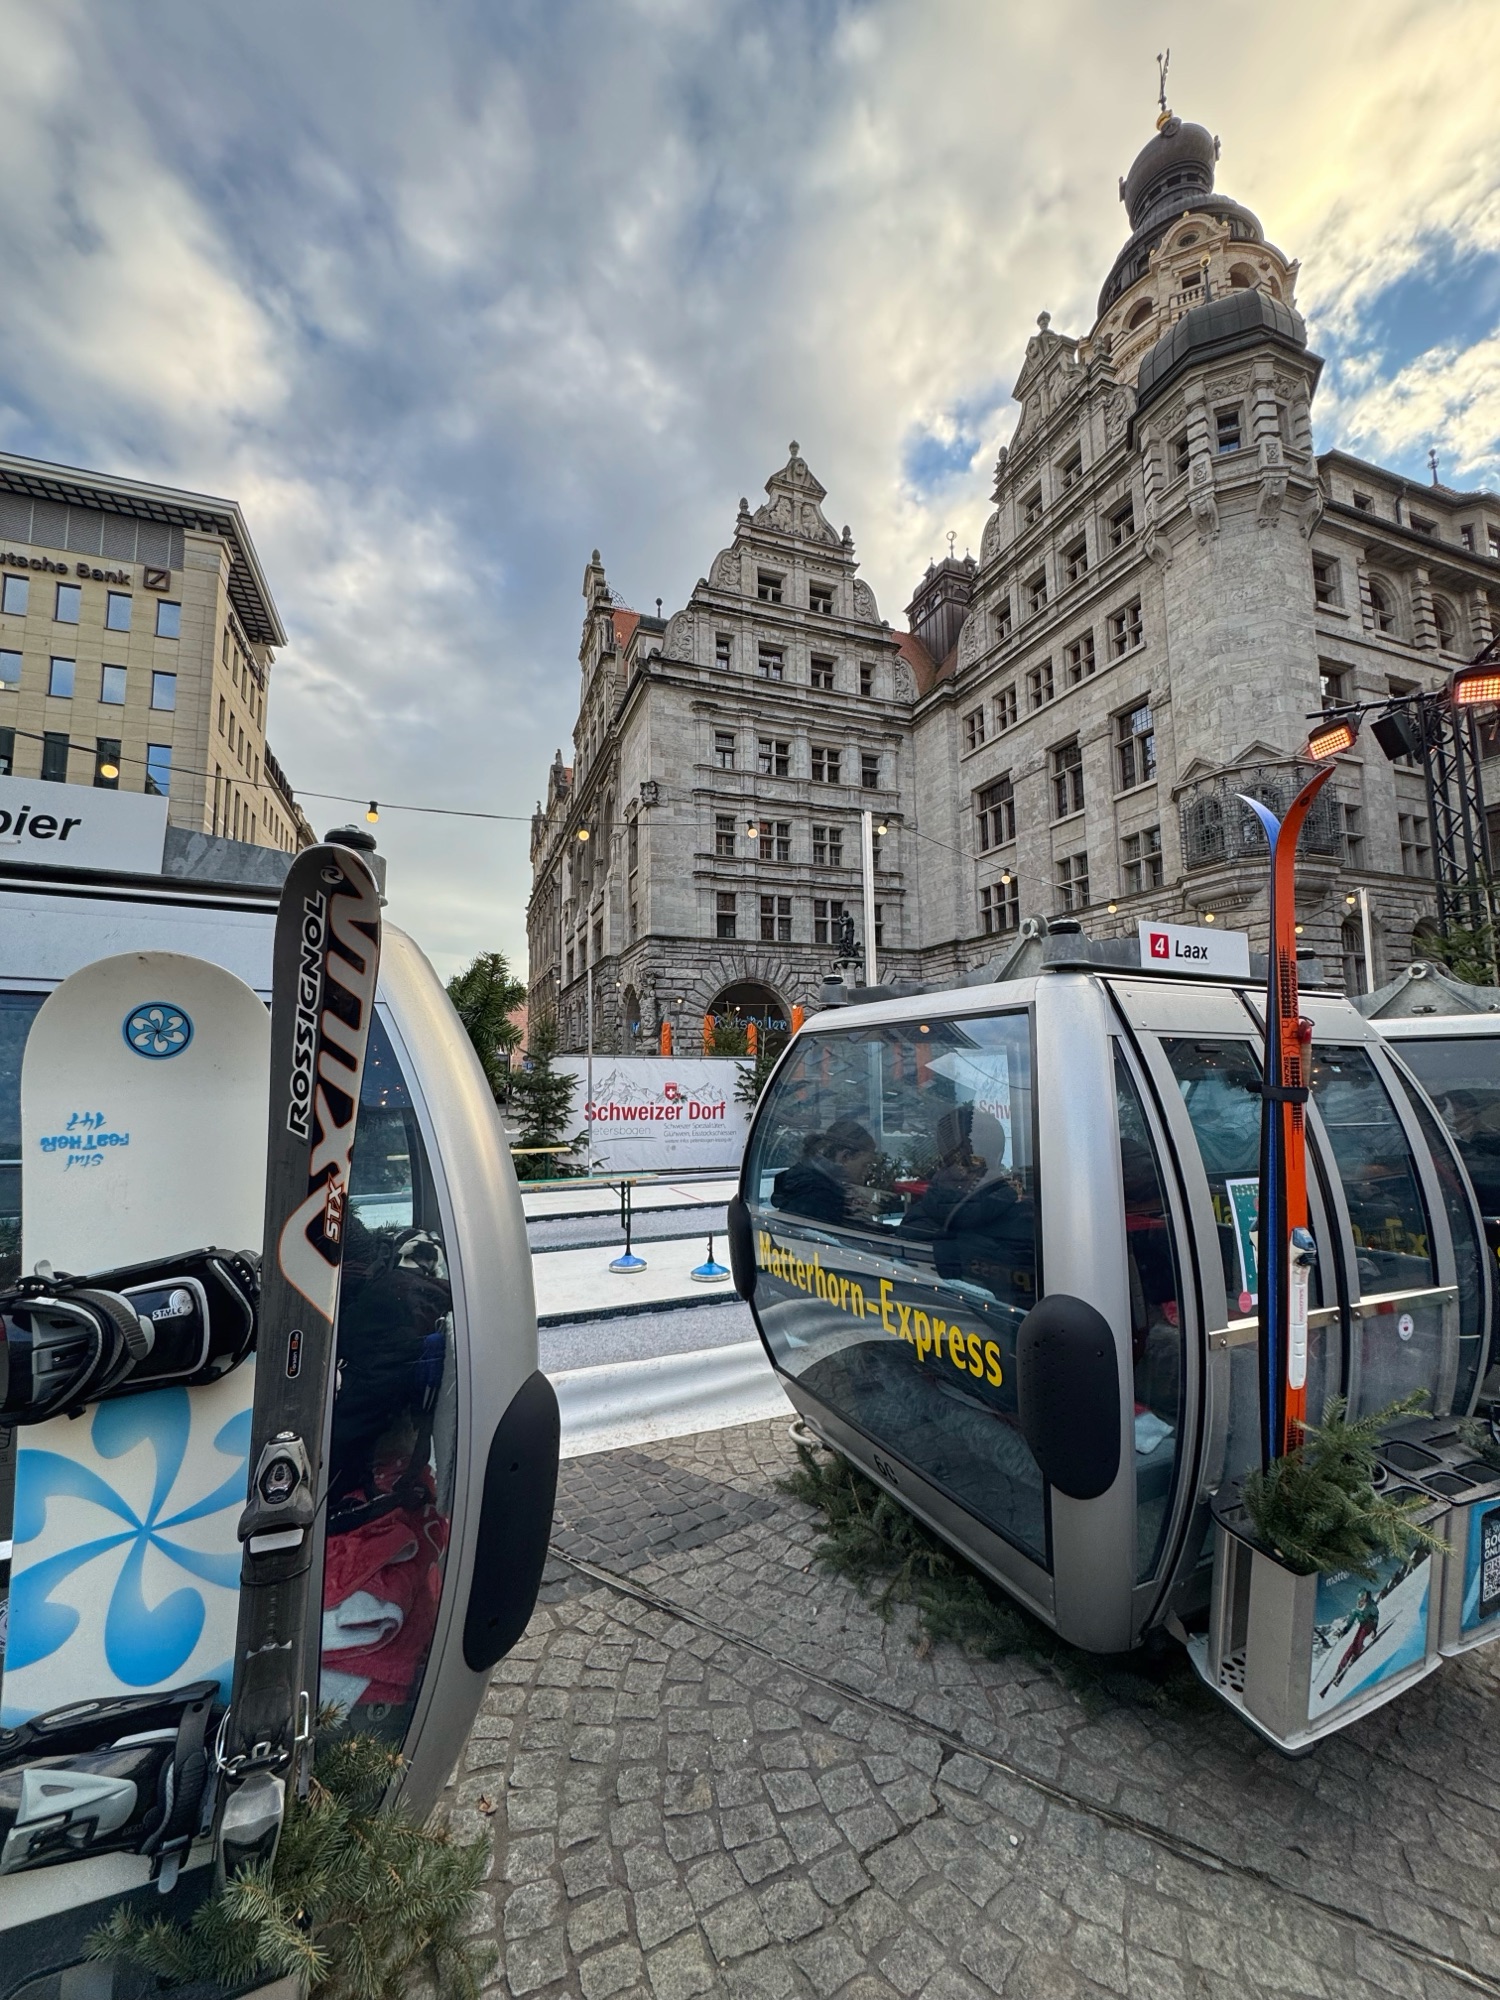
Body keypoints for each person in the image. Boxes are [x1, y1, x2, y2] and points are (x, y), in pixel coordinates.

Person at [773, 1119, 879, 1227]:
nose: (867, 1172)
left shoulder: (804, 1179)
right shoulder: (820, 1195)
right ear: (845, 1157)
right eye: (865, 1165)